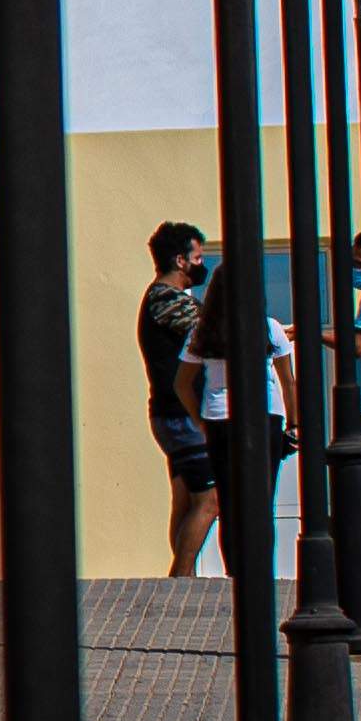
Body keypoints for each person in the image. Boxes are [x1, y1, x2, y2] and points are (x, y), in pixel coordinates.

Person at [147, 220, 222, 577]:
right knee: (211, 501)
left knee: (185, 496)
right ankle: (182, 575)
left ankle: (180, 576)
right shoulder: (167, 301)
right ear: (180, 260)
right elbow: (211, 329)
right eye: (197, 257)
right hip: (183, 414)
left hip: (170, 415)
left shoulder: (161, 299)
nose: (200, 264)